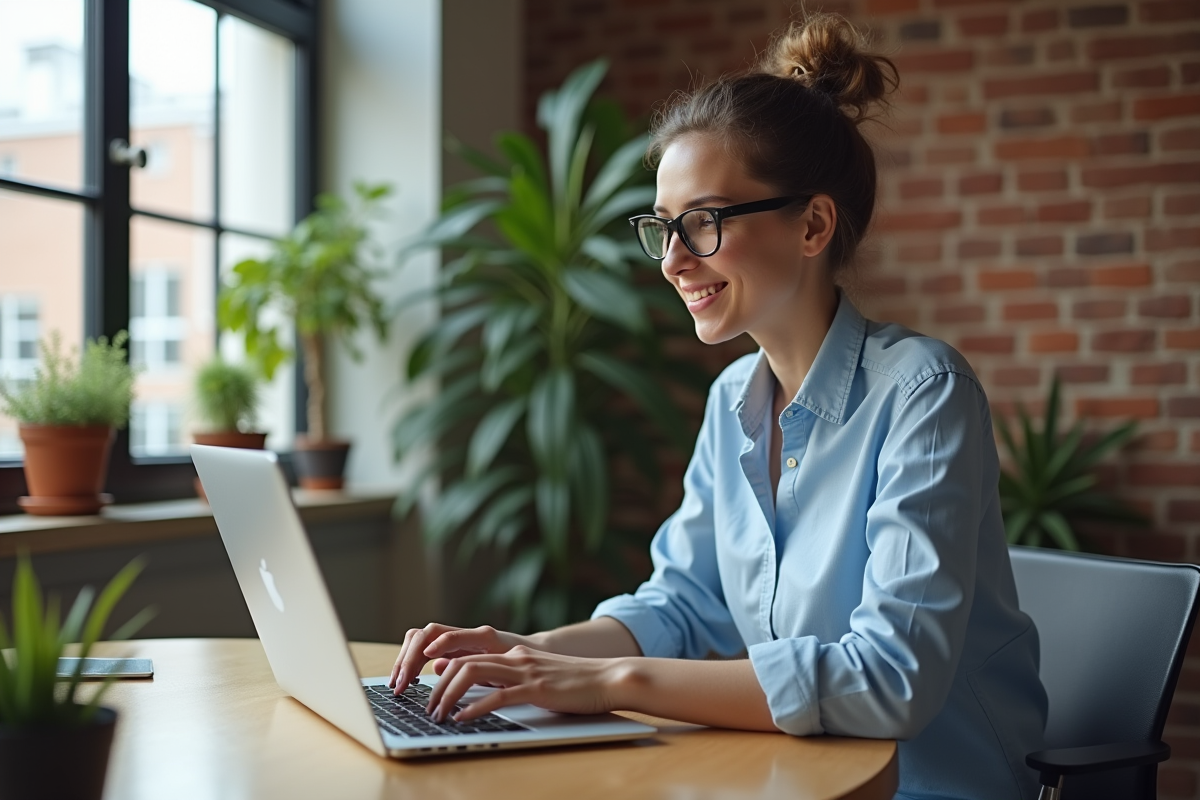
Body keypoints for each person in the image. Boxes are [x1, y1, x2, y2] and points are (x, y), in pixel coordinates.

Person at [389, 13, 1047, 799]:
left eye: (701, 223)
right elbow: (681, 605)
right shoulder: (733, 396)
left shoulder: (924, 393)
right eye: (663, 228)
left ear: (812, 224)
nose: (672, 261)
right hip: (797, 777)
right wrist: (526, 654)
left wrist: (611, 682)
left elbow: (889, 679)